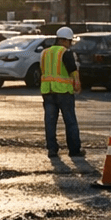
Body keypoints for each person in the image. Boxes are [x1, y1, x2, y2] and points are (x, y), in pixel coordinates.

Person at [40, 25, 84, 159]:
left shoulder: (45, 53)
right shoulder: (65, 53)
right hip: (64, 92)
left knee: (50, 122)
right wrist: (77, 86)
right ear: (65, 40)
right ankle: (74, 150)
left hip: (48, 91)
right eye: (70, 42)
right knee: (70, 121)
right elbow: (73, 71)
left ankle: (52, 150)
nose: (70, 45)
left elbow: (43, 70)